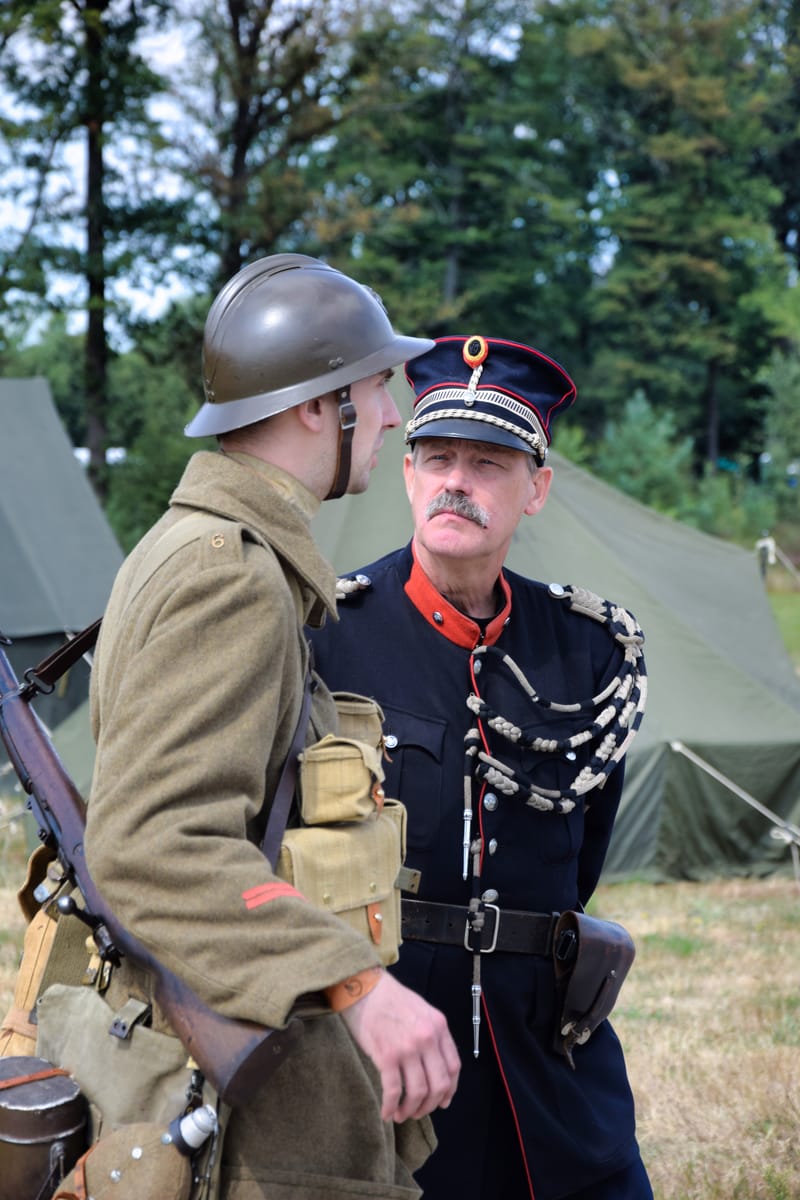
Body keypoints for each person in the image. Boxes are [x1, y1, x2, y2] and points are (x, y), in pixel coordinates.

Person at [78, 255, 461, 1200]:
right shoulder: (232, 575)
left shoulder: (199, 546)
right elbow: (154, 841)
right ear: (317, 407)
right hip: (254, 1108)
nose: (393, 415)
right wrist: (358, 985)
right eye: (375, 386)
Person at [311, 334, 653, 1200]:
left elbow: (581, 860)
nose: (456, 481)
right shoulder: (325, 638)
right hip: (387, 1054)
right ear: (408, 474)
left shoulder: (591, 652)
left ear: (536, 489)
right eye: (438, 458)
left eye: (489, 463)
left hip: (550, 1059)